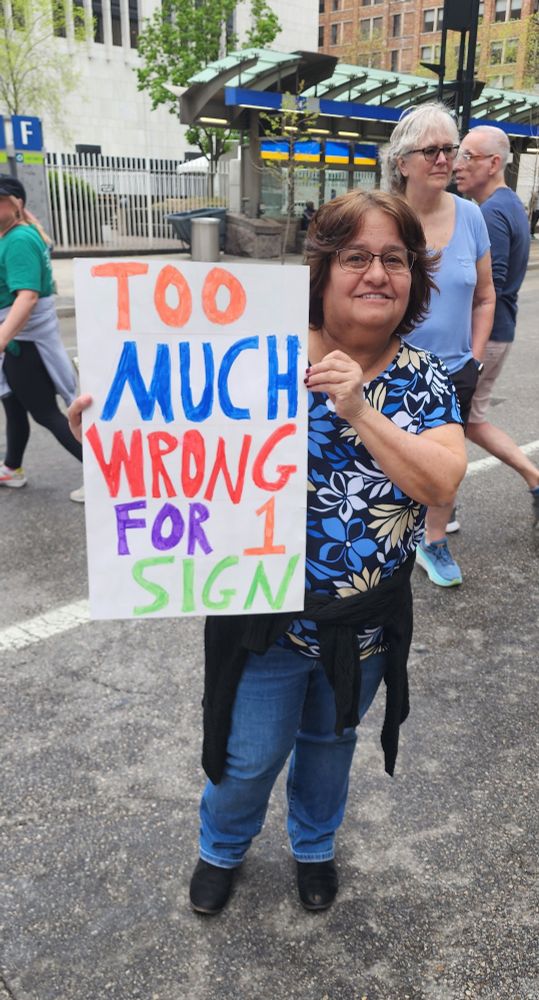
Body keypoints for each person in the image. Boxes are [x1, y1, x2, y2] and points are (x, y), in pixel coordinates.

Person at [68, 190, 466, 916]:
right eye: (355, 257)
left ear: (413, 276)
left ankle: (313, 846)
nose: (376, 273)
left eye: (393, 259)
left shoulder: (424, 377)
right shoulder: (254, 349)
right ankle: (221, 847)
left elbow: (440, 480)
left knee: (330, 742)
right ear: (321, 271)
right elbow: (172, 441)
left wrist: (358, 408)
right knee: (246, 757)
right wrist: (108, 425)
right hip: (263, 619)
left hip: (362, 627)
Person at [384, 103, 496, 587]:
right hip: (388, 366)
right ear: (402, 161)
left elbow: (486, 295)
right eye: (430, 150)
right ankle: (382, 544)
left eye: (449, 149)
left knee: (447, 466)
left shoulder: (471, 215)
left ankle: (433, 542)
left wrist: (474, 357)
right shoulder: (384, 218)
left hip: (453, 369)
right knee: (384, 460)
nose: (444, 159)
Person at [454, 126, 539, 530]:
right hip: (498, 331)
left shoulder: (490, 212)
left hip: (484, 336)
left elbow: (491, 284)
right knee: (467, 420)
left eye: (468, 156)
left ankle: (441, 510)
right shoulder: (509, 204)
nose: (458, 164)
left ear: (493, 163)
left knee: (456, 421)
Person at [0, 175, 83, 501]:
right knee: (14, 407)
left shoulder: (19, 239)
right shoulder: (16, 234)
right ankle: (12, 467)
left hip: (24, 345)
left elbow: (28, 297)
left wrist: (2, 338)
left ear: (16, 203)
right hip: (20, 342)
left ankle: (100, 473)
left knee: (46, 413)